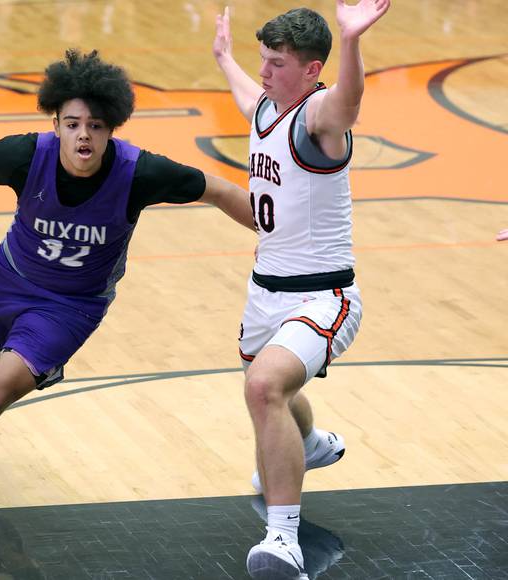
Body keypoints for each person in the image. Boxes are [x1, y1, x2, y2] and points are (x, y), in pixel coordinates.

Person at [0, 48, 256, 553]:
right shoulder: (24, 155)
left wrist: (276, 231)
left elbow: (218, 189)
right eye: (73, 123)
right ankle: (25, 359)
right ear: (56, 124)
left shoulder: (141, 173)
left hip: (71, 307)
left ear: (112, 129)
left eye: (97, 125)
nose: (84, 135)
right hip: (6, 277)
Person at [213, 1, 389, 578]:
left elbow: (350, 102)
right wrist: (223, 57)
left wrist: (351, 39)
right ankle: (310, 443)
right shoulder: (267, 106)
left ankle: (282, 540)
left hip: (324, 296)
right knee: (267, 390)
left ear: (312, 70)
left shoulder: (319, 116)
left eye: (277, 63)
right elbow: (247, 94)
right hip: (264, 293)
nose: (264, 72)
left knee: (264, 388)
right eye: (262, 60)